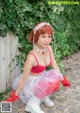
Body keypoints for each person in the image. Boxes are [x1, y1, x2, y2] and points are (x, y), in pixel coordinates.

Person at [5, 22, 70, 113]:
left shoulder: (48, 48)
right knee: (50, 81)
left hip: (42, 77)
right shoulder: (31, 56)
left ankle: (42, 96)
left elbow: (54, 65)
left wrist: (62, 79)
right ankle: (32, 103)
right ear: (36, 37)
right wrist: (15, 95)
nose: (47, 40)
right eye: (43, 36)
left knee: (55, 76)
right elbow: (24, 77)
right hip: (31, 82)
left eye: (49, 36)